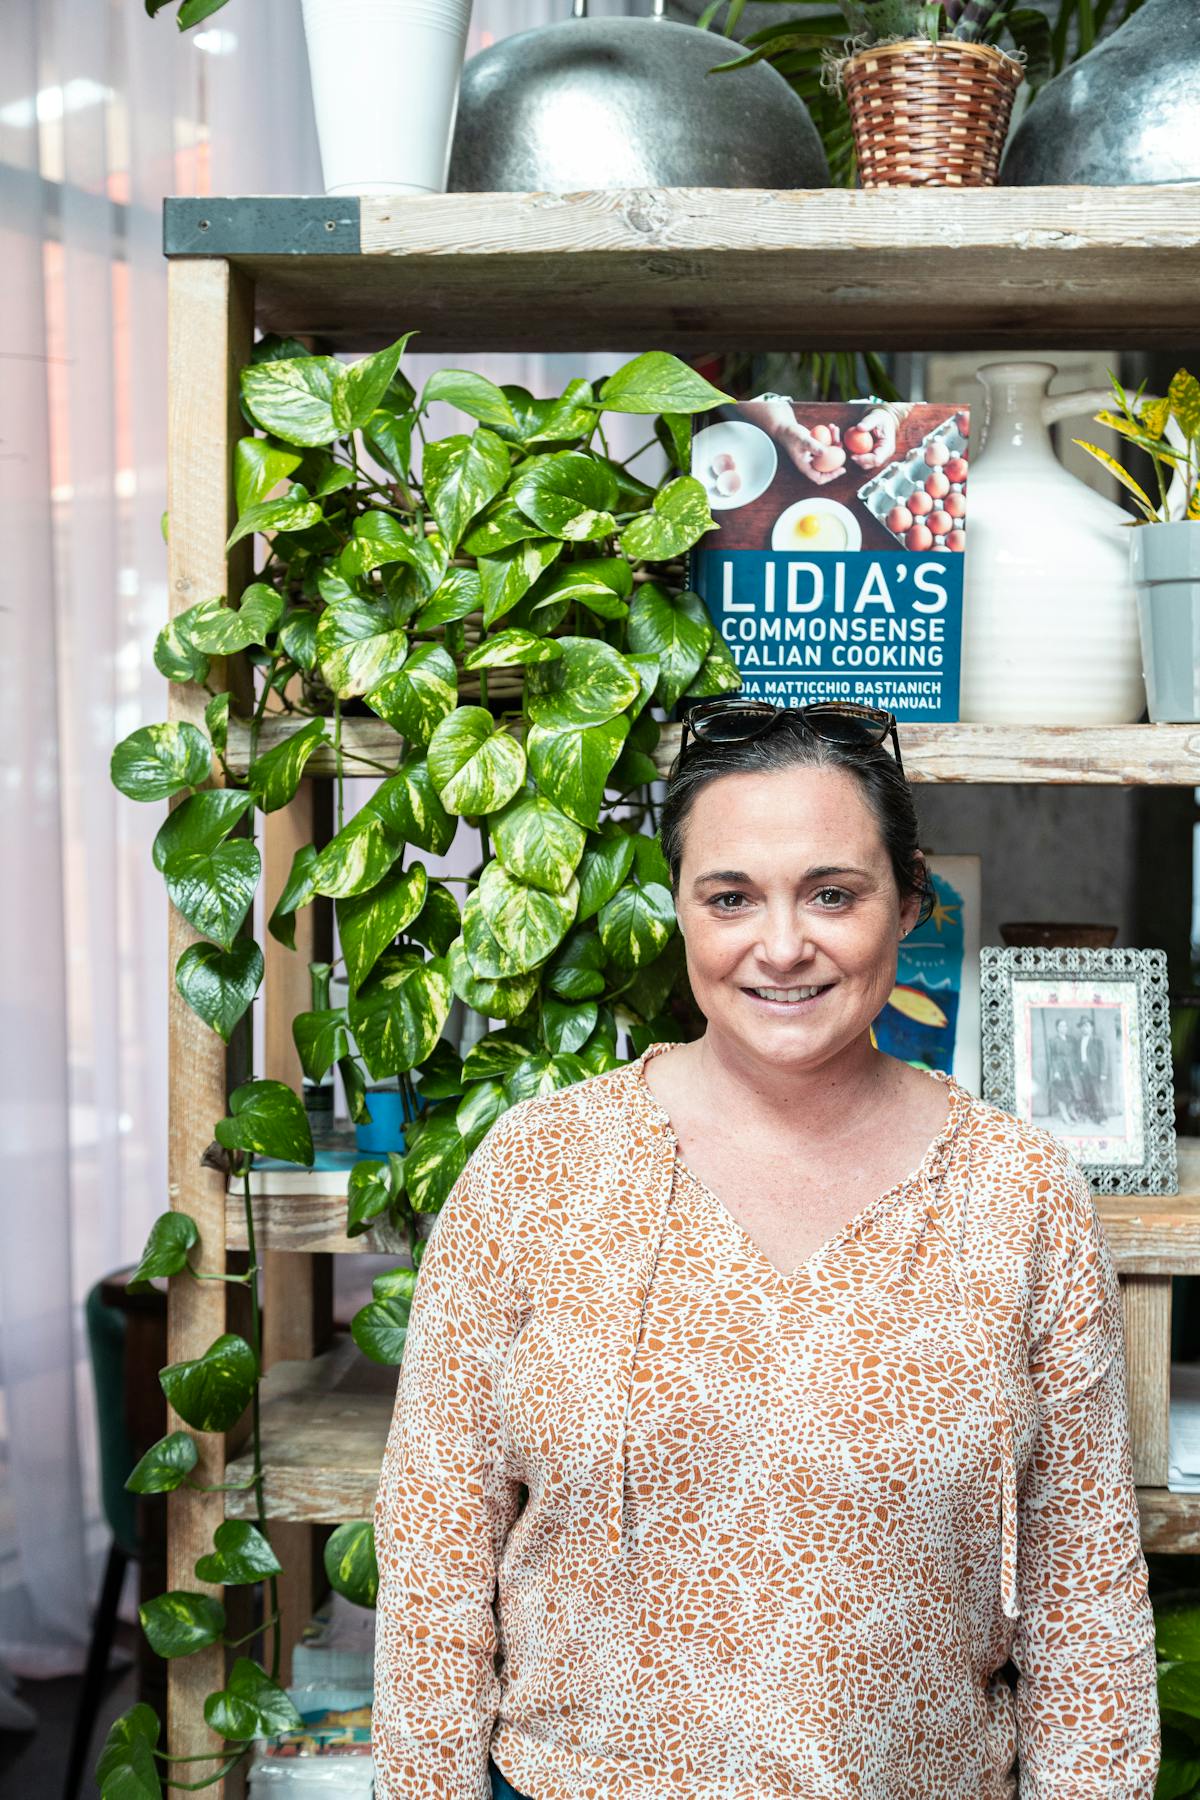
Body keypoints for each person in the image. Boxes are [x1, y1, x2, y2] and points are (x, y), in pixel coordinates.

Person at [371, 697, 1159, 1800]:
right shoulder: (538, 1170)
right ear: (682, 912)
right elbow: (434, 1558)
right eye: (731, 897)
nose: (783, 946)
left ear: (910, 906)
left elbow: (1086, 1604)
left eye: (833, 894)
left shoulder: (1018, 1195)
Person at [1045, 1015, 1082, 1122]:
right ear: (1057, 1028)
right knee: (1061, 1092)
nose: (1063, 1028)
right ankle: (1065, 1115)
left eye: (1065, 1026)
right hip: (1060, 1069)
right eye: (1061, 1026)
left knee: (1072, 1091)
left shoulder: (1072, 1039)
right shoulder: (1053, 1040)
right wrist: (1056, 1071)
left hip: (1071, 1069)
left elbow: (1075, 1055)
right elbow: (1052, 1058)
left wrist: (1077, 1068)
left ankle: (1072, 1111)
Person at [1077, 1014, 1110, 1124]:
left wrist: (1103, 1073)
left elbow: (1103, 1057)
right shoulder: (1079, 1041)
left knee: (1098, 1094)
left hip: (1095, 1071)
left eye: (1086, 1025)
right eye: (1082, 1026)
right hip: (1084, 1071)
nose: (1084, 1028)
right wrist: (1080, 1070)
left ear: (1091, 1027)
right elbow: (1080, 1056)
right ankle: (1092, 1115)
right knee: (1088, 1094)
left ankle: (1102, 1118)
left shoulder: (1098, 1040)